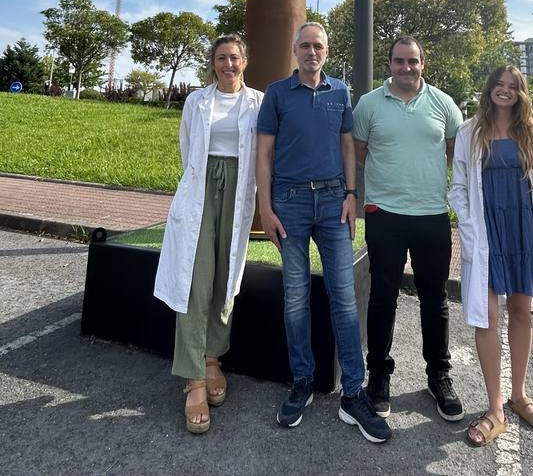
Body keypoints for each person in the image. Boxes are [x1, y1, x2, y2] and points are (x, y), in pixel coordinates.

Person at [256, 22, 391, 444]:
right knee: (295, 295)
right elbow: (264, 152)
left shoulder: (340, 92)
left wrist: (352, 195)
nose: (312, 52)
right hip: (290, 203)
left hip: (334, 202)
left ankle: (353, 393)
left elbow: (348, 145)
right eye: (305, 46)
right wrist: (265, 206)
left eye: (318, 46)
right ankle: (302, 381)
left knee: (344, 297)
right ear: (294, 50)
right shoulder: (277, 94)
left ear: (326, 52)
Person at [448, 65, 533, 448]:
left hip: (524, 232)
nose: (505, 90)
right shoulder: (470, 132)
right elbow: (459, 186)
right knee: (487, 315)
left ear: (521, 93)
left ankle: (519, 395)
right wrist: (469, 226)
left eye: (512, 86)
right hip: (487, 234)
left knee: (519, 310)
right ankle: (496, 408)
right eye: (499, 84)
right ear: (489, 88)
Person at [154, 35, 263, 434]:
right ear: (213, 63)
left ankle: (213, 356)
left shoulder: (259, 102)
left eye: (235, 57)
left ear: (245, 61)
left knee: (225, 277)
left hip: (238, 191)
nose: (228, 64)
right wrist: (204, 183)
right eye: (221, 58)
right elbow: (188, 149)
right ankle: (193, 377)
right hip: (201, 191)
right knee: (194, 280)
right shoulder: (197, 101)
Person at [352, 36, 464, 422]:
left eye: (412, 61)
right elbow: (358, 153)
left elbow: (456, 156)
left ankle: (439, 376)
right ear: (390, 64)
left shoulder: (444, 104)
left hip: (432, 215)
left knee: (435, 299)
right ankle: (378, 377)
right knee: (383, 298)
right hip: (385, 215)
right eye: (399, 61)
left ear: (423, 63)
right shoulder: (368, 105)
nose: (406, 67)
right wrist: (358, 197)